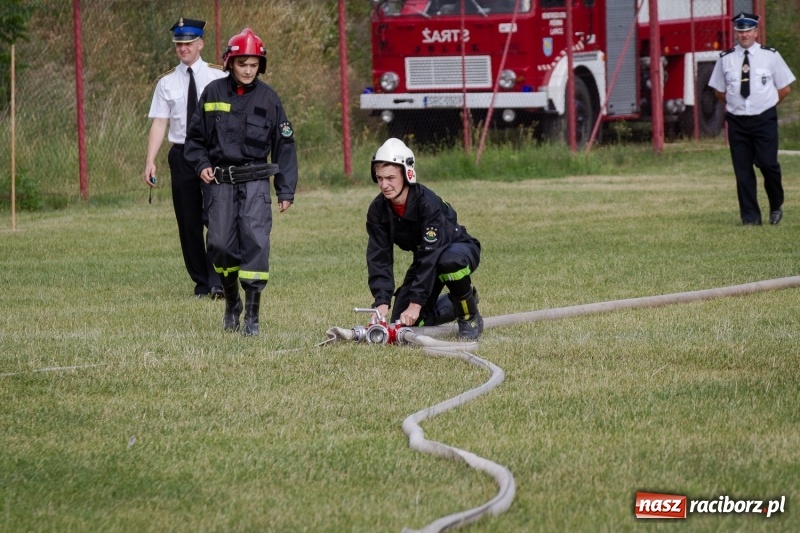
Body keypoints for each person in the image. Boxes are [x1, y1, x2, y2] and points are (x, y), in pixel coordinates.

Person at [184, 28, 298, 336]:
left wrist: (285, 189)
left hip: (256, 184)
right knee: (220, 245)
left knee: (256, 244)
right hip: (220, 183)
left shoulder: (269, 98)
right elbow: (194, 139)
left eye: (254, 64)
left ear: (261, 65)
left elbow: (285, 145)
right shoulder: (213, 93)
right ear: (229, 63)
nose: (248, 70)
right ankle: (232, 302)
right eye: (242, 64)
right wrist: (202, 165)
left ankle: (252, 317)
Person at [365, 138, 483, 339]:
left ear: (407, 174)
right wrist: (381, 303)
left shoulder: (427, 202)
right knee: (403, 324)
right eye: (379, 178)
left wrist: (416, 302)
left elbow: (432, 255)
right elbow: (379, 257)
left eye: (390, 178)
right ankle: (457, 303)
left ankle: (469, 316)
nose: (384, 185)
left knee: (449, 262)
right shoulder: (377, 210)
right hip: (426, 258)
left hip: (456, 249)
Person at [144, 17, 226, 298]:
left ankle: (217, 280)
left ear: (200, 44)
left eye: (188, 43)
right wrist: (150, 160)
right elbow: (160, 122)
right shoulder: (166, 82)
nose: (183, 48)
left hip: (212, 154)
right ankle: (202, 282)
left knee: (216, 218)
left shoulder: (218, 76)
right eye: (179, 44)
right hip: (181, 156)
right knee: (188, 222)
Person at [708, 12, 795, 226]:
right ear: (736, 33)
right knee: (743, 170)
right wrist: (735, 106)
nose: (744, 35)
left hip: (764, 119)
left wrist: (766, 105)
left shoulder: (770, 56)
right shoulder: (725, 59)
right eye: (740, 31)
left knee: (768, 164)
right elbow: (719, 91)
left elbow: (785, 88)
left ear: (756, 32)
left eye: (748, 31)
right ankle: (750, 217)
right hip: (737, 121)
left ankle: (776, 204)